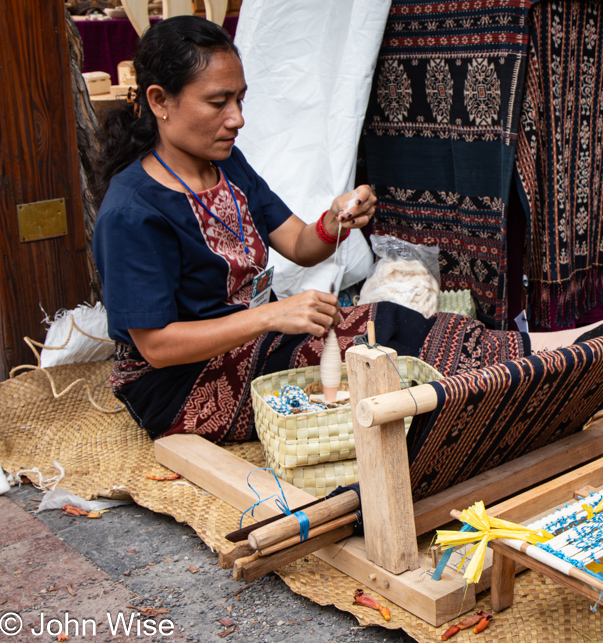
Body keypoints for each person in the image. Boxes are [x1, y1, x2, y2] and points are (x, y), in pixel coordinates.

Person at [93, 16, 537, 443]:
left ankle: (532, 356)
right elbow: (157, 347)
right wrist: (269, 316)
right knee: (369, 344)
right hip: (177, 386)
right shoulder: (133, 211)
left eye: (240, 100)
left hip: (246, 342)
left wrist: (334, 221)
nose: (237, 119)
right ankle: (535, 361)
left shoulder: (227, 167)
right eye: (217, 102)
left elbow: (298, 245)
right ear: (159, 101)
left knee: (376, 326)